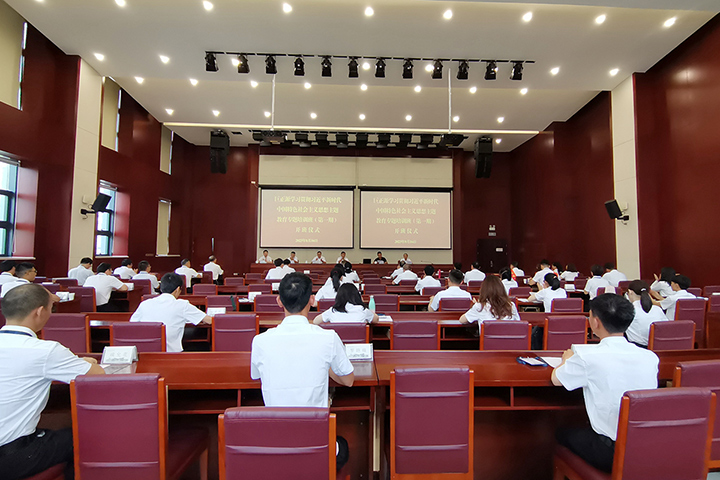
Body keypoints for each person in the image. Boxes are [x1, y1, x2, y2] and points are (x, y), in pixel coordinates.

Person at [0, 284, 105, 480]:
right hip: (11, 456)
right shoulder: (45, 351)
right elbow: (97, 375)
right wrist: (85, 363)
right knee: (81, 438)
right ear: (39, 312)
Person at [250, 273, 353, 471]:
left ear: (279, 301)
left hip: (275, 443)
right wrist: (326, 367)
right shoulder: (328, 338)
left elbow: (256, 376)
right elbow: (348, 380)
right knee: (344, 446)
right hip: (315, 442)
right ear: (312, 300)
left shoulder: (260, 341)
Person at [552, 294, 659, 473]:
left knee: (560, 433)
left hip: (610, 452)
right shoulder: (650, 357)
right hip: (645, 448)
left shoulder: (587, 357)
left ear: (595, 322)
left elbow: (557, 379)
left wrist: (566, 359)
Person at [130, 273, 211, 352]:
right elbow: (209, 320)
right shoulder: (182, 305)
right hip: (171, 354)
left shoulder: (145, 304)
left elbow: (132, 324)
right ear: (178, 289)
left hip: (145, 352)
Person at [625, 280, 667, 347]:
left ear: (630, 292)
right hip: (658, 347)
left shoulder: (628, 311)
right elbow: (666, 328)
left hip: (637, 348)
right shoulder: (658, 309)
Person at [313, 283, 379, 325]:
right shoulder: (363, 310)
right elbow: (376, 319)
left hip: (337, 343)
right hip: (357, 343)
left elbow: (315, 321)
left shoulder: (333, 311)